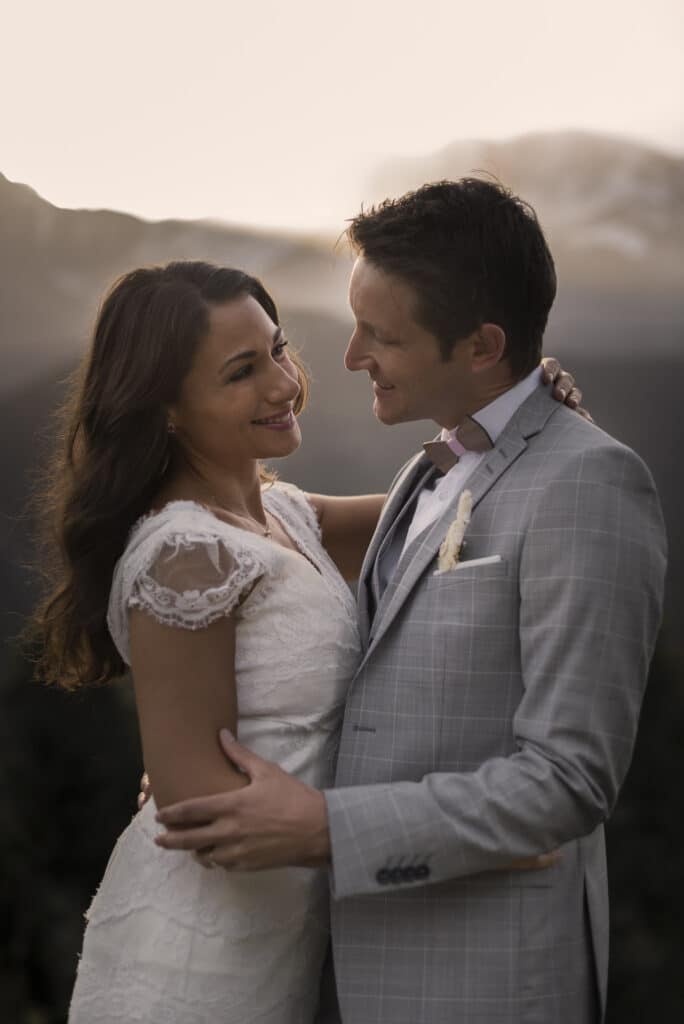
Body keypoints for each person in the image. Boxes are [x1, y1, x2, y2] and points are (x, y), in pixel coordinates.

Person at [153, 181, 667, 1024]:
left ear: (480, 346)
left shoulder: (590, 485)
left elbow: (568, 781)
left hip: (487, 983)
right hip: (349, 969)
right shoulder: (427, 468)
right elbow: (271, 544)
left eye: (382, 335)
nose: (349, 356)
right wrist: (206, 764)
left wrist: (322, 827)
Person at [31, 258, 578, 1023]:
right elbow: (200, 814)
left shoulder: (280, 515)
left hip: (280, 946)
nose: (284, 384)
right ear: (165, 409)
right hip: (198, 967)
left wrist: (517, 413)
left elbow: (431, 502)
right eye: (241, 372)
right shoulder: (187, 555)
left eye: (279, 349)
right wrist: (472, 837)